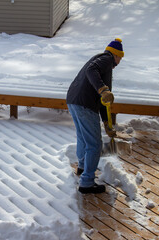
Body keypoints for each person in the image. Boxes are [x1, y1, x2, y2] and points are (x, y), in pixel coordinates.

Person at [66, 38, 124, 194]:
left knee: (83, 138)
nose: (120, 61)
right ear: (116, 55)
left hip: (74, 100)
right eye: (121, 57)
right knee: (94, 144)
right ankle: (87, 182)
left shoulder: (101, 62)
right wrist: (103, 89)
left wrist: (107, 123)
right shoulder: (106, 59)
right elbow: (91, 71)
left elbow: (104, 102)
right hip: (85, 104)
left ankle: (83, 167)